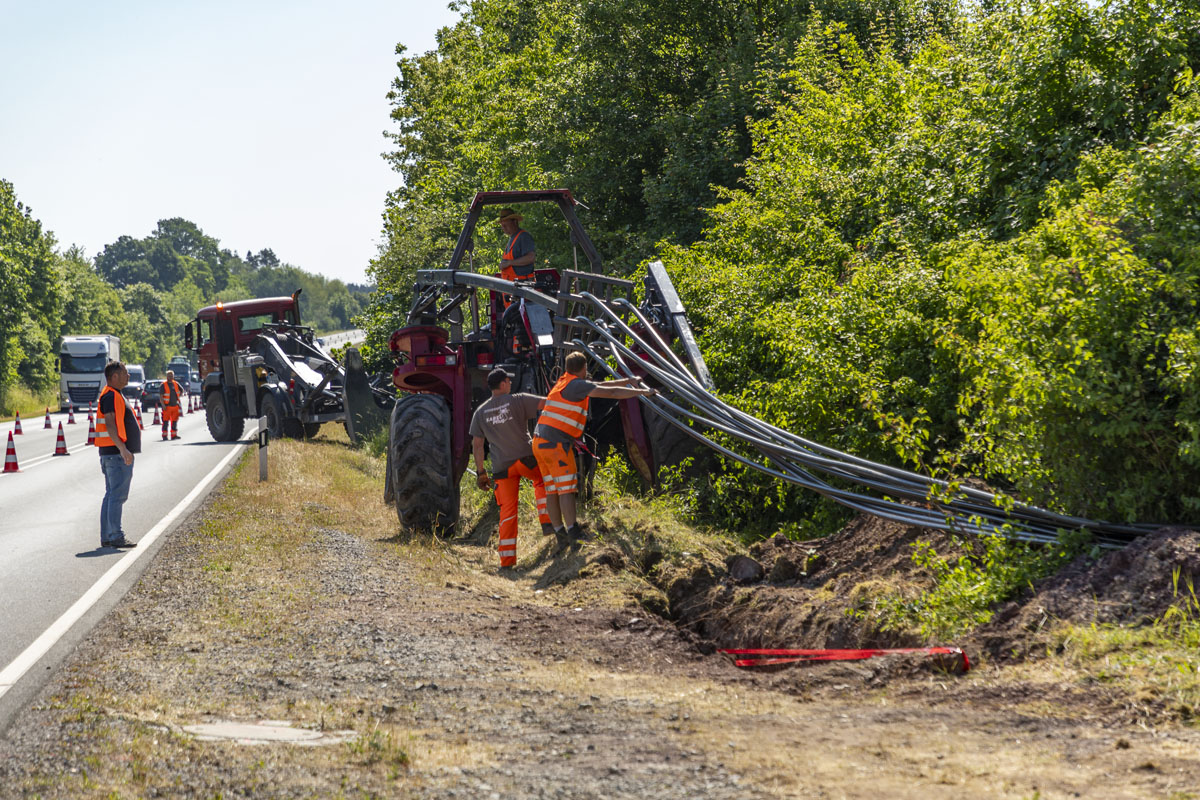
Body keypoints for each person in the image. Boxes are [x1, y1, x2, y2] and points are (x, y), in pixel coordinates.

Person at [533, 351, 656, 547]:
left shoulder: (564, 381)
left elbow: (602, 386)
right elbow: (611, 393)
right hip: (556, 445)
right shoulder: (576, 385)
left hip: (540, 443)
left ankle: (560, 534)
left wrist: (628, 381)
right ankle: (573, 532)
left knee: (552, 491)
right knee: (566, 490)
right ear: (584, 369)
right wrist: (641, 393)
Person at [470, 368, 554, 569]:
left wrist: (481, 472)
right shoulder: (518, 400)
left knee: (507, 511)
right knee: (543, 480)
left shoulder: (480, 412)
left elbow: (477, 445)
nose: (510, 383)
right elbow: (548, 403)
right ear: (503, 383)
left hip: (502, 468)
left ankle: (507, 561)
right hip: (526, 460)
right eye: (508, 381)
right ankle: (547, 522)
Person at [96, 361, 140, 549]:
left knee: (111, 494)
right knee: (117, 496)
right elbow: (110, 423)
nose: (128, 376)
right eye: (125, 373)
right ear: (114, 376)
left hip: (111, 453)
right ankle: (115, 536)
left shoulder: (113, 394)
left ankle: (108, 536)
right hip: (115, 454)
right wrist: (123, 449)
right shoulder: (111, 395)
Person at [497, 208, 535, 281]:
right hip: (511, 284)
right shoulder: (512, 238)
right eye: (502, 225)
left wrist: (509, 263)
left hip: (522, 284)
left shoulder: (523, 237)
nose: (503, 227)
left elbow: (530, 258)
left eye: (505, 224)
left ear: (515, 221)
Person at [159, 370, 184, 440]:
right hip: (167, 407)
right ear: (167, 376)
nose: (170, 377)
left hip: (175, 406)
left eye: (171, 376)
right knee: (165, 422)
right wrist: (163, 405)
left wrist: (179, 397)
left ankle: (174, 435)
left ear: (173, 376)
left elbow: (182, 390)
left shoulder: (176, 384)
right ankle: (165, 436)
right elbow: (161, 396)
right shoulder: (163, 385)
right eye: (169, 376)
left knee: (174, 421)